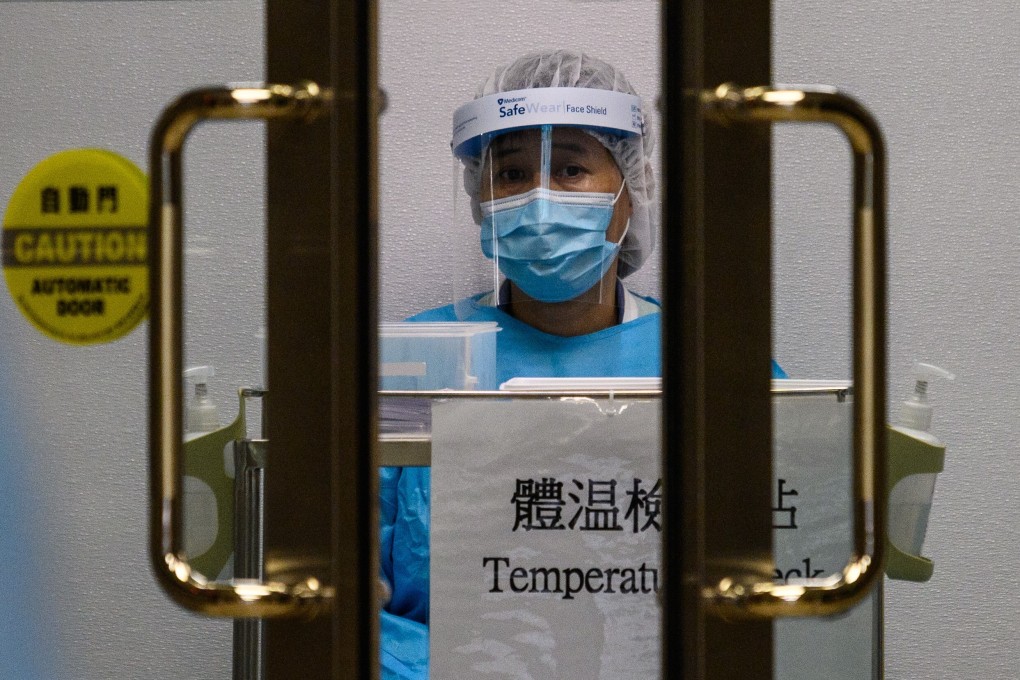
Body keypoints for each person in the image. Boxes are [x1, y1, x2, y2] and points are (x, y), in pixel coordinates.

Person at [379, 48, 785, 679]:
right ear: (478, 199)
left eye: (571, 170)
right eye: (511, 174)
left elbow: (784, 569)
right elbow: (346, 591)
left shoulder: (714, 366)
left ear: (631, 191)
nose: (539, 201)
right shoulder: (413, 361)